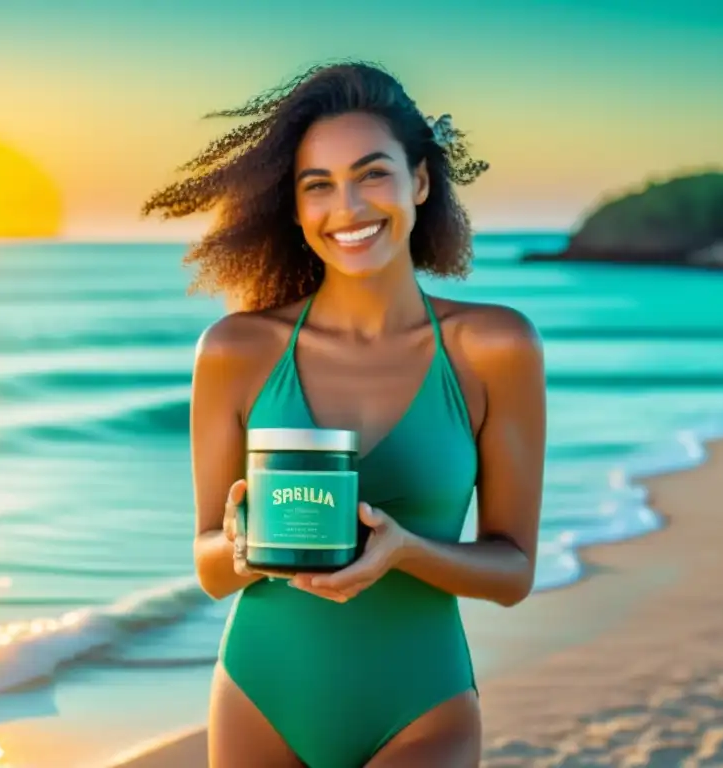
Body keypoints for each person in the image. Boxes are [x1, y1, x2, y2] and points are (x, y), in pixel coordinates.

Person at [141, 60, 546, 768]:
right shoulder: (237, 350)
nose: (348, 207)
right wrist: (243, 545)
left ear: (419, 181)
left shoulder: (493, 346)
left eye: (372, 174)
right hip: (261, 699)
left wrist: (407, 551)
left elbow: (512, 571)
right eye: (317, 185)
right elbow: (210, 564)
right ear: (294, 209)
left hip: (422, 707)